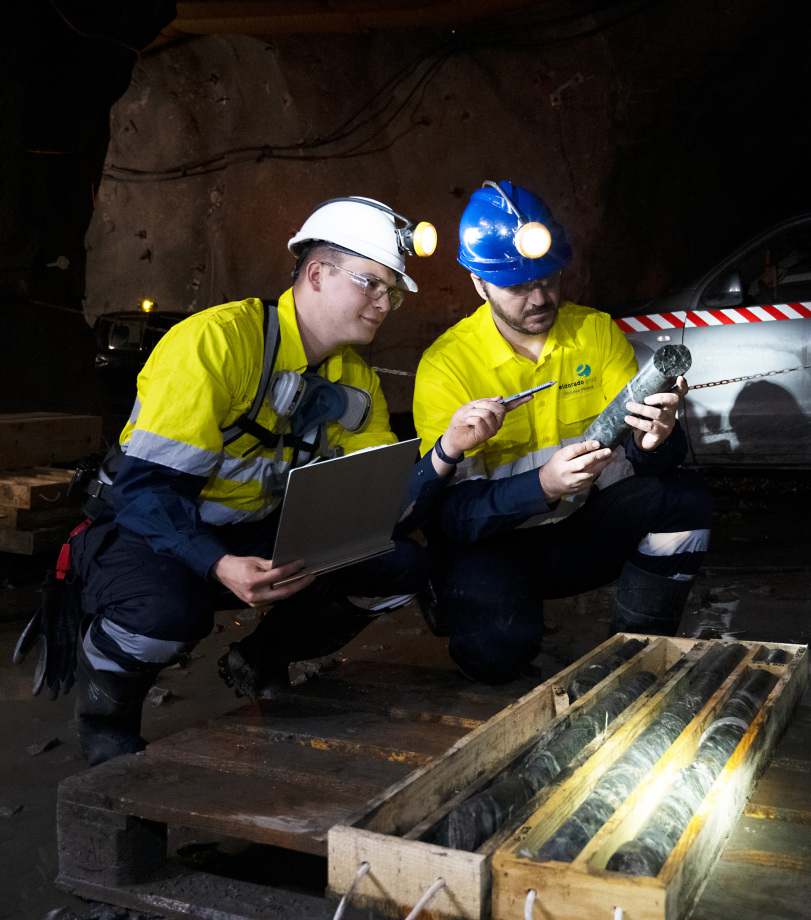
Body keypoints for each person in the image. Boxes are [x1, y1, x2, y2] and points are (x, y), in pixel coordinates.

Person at [66, 195, 510, 766]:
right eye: (371, 283)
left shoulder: (356, 381)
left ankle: (260, 660)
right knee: (166, 614)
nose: (385, 304)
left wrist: (447, 450)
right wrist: (217, 564)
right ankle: (106, 717)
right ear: (317, 274)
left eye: (392, 292)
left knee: (399, 567)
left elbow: (382, 507)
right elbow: (143, 491)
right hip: (148, 528)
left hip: (251, 529)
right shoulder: (216, 343)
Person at [412, 180, 713, 685]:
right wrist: (543, 485)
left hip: (578, 526)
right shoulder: (447, 366)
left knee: (684, 500)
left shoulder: (593, 332)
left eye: (549, 280)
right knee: (498, 656)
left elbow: (651, 459)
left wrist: (658, 440)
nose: (539, 298)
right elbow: (454, 516)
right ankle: (455, 598)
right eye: (518, 287)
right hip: (495, 542)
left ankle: (638, 651)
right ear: (478, 283)